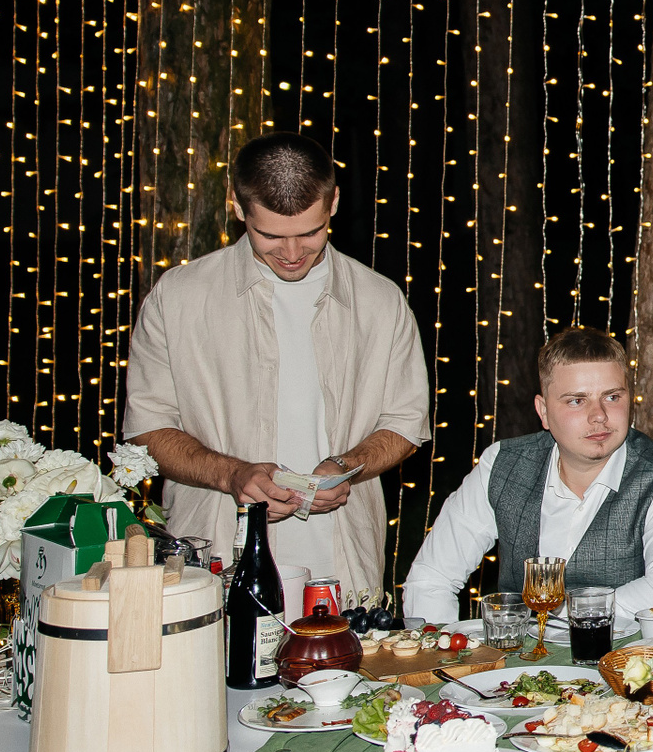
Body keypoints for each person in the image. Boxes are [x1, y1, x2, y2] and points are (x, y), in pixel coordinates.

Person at [122, 132, 432, 601]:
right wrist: (232, 475)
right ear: (237, 207)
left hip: (344, 567)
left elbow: (406, 424)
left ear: (333, 203)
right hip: (214, 563)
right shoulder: (178, 297)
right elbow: (147, 430)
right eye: (269, 235)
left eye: (310, 233)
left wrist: (347, 466)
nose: (291, 253)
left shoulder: (380, 301)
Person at [402, 327, 653, 630]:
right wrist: (440, 650)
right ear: (544, 411)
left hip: (625, 657)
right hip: (515, 659)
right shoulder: (503, 465)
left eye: (612, 397)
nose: (599, 415)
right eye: (576, 401)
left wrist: (556, 619)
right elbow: (431, 578)